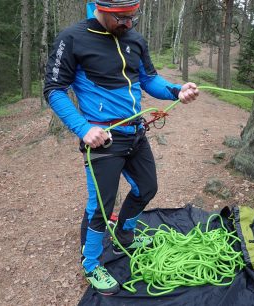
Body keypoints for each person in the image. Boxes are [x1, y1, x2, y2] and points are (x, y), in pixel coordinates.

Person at [44, 0, 199, 295]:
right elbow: (53, 89)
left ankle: (125, 235)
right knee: (101, 206)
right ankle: (91, 264)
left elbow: (149, 80)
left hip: (136, 133)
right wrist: (84, 128)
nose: (129, 23)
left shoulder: (134, 39)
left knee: (146, 187)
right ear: (101, 10)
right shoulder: (73, 38)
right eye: (123, 18)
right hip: (103, 137)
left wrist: (177, 90)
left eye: (133, 16)